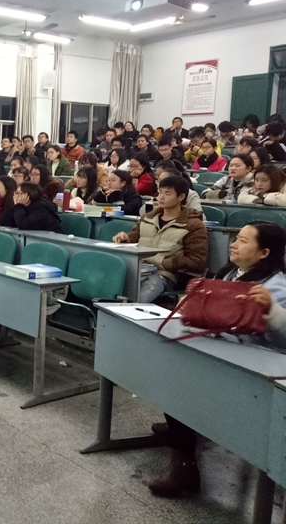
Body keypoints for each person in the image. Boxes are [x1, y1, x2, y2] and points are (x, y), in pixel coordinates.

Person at [147, 222, 286, 498]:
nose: (234, 244)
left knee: (184, 384)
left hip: (254, 367)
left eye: (243, 241)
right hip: (219, 351)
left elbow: (282, 341)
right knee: (175, 367)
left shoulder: (276, 286)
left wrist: (272, 311)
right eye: (236, 238)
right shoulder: (231, 273)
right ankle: (181, 424)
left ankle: (183, 464)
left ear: (264, 252)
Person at [113, 175, 208, 302]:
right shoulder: (147, 218)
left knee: (140, 297)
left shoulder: (192, 225)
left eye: (167, 194)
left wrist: (166, 263)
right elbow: (133, 239)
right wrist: (125, 239)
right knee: (109, 284)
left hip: (164, 275)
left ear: (181, 197)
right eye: (160, 192)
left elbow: (197, 260)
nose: (161, 197)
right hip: (139, 268)